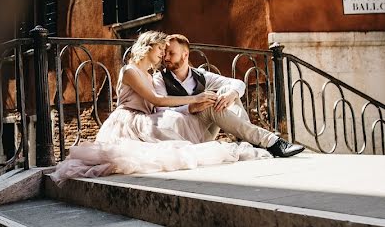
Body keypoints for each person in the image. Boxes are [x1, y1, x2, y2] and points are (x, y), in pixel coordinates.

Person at [50, 31, 270, 182]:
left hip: (146, 118)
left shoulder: (150, 74)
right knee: (147, 151)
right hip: (128, 121)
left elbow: (157, 105)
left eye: (166, 52)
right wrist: (195, 99)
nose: (162, 55)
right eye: (160, 50)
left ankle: (252, 138)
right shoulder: (130, 71)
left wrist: (213, 97)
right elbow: (157, 101)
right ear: (148, 47)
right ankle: (257, 140)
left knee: (199, 112)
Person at [154, 34, 304, 158]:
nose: (166, 58)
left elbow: (238, 84)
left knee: (226, 89)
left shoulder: (201, 76)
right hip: (183, 135)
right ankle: (269, 141)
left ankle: (249, 139)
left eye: (171, 53)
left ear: (185, 54)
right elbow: (159, 112)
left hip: (204, 132)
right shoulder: (160, 79)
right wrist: (191, 107)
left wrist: (231, 94)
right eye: (164, 53)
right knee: (211, 104)